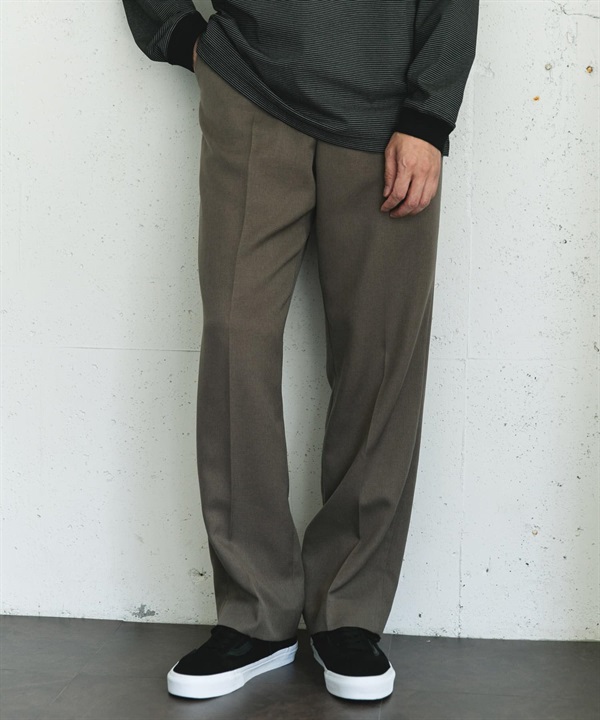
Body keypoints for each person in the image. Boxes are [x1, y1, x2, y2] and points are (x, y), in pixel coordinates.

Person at [122, 0, 479, 703]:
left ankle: (349, 611)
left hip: (389, 114)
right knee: (236, 344)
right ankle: (254, 614)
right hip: (250, 91)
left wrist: (429, 115)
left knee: (381, 359)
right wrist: (182, 35)